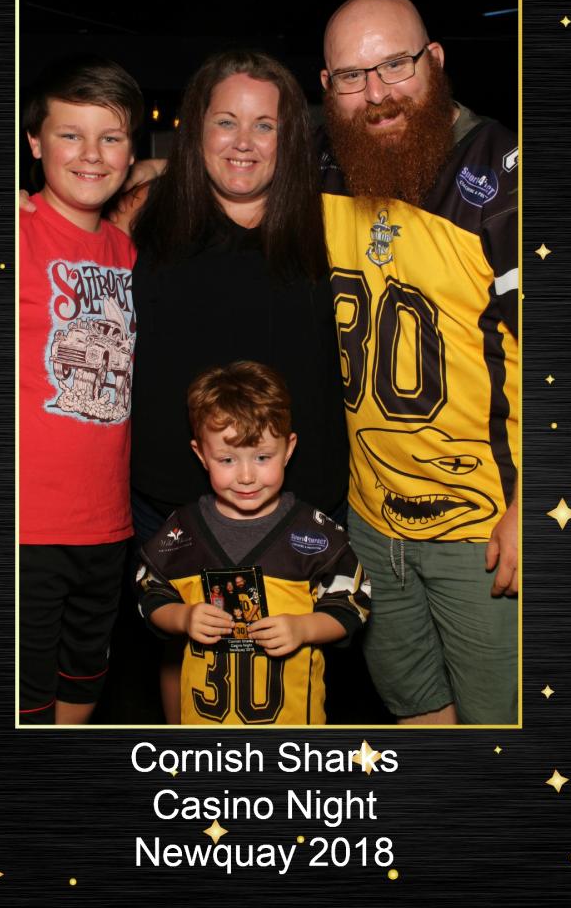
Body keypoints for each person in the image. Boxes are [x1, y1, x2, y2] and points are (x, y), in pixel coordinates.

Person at [106, 49, 352, 723]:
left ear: (289, 137)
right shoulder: (147, 220)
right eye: (225, 121)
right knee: (184, 653)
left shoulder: (328, 225)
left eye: (264, 125)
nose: (243, 141)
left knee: (290, 669)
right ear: (195, 128)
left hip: (300, 502)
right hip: (172, 496)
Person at [319, 0, 518, 724]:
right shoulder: (325, 167)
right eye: (352, 75)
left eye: (395, 65)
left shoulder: (503, 176)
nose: (377, 93)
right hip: (371, 525)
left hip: (483, 529)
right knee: (419, 719)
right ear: (328, 86)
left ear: (433, 60)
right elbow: (230, 174)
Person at [135, 361, 370, 725]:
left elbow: (354, 604)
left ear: (288, 449)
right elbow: (150, 595)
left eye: (262, 457)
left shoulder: (315, 534)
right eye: (227, 459)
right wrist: (183, 617)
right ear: (201, 455)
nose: (246, 476)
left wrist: (304, 628)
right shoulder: (181, 531)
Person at [19, 55, 144, 724]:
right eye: (70, 135)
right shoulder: (10, 231)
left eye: (111, 137)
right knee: (23, 702)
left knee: (84, 681)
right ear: (34, 143)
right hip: (24, 527)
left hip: (107, 523)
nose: (91, 154)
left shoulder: (128, 253)